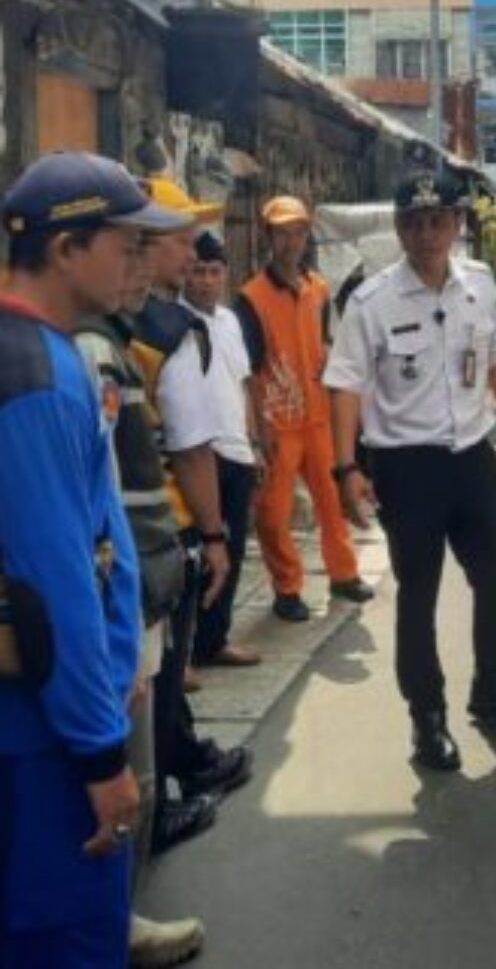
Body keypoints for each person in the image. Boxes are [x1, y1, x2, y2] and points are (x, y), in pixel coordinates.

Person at [0, 152, 179, 968]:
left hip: (59, 716)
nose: (137, 261)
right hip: (43, 743)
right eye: (123, 242)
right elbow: (51, 588)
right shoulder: (33, 375)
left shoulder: (51, 352)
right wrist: (101, 753)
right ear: (66, 247)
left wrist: (123, 656)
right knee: (64, 942)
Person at [325, 170, 496, 772]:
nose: (427, 233)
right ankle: (427, 719)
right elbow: (346, 386)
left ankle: (494, 692)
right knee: (419, 595)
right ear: (400, 228)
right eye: (414, 221)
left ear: (458, 224)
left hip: (472, 458)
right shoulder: (371, 301)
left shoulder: (479, 285)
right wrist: (347, 467)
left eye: (438, 220)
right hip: (407, 468)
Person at [76, 229, 206, 967]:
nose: (142, 266)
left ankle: (116, 922)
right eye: (131, 249)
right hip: (119, 596)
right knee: (130, 778)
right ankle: (109, 929)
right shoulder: (90, 352)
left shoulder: (116, 342)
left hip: (138, 583)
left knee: (141, 774)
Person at [133, 177, 252, 853]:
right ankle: (158, 803)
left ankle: (181, 760)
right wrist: (214, 534)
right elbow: (191, 444)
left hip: (137, 523)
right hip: (165, 522)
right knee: (160, 663)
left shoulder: (121, 325)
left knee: (159, 667)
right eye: (180, 240)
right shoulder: (169, 329)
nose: (191, 254)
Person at [236, 196, 373, 623]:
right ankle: (288, 587)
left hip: (318, 417)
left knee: (333, 501)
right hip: (278, 420)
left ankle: (344, 574)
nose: (291, 241)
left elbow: (327, 348)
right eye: (282, 232)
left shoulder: (319, 289)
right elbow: (249, 371)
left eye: (298, 232)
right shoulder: (251, 298)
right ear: (269, 237)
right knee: (274, 514)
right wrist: (259, 430)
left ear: (307, 235)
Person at [182, 230, 262, 668]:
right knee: (196, 556)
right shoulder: (177, 324)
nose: (206, 281)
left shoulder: (230, 322)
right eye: (198, 271)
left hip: (237, 453)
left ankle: (215, 641)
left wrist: (254, 444)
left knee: (232, 554)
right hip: (201, 455)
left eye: (214, 272)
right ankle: (185, 654)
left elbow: (242, 386)